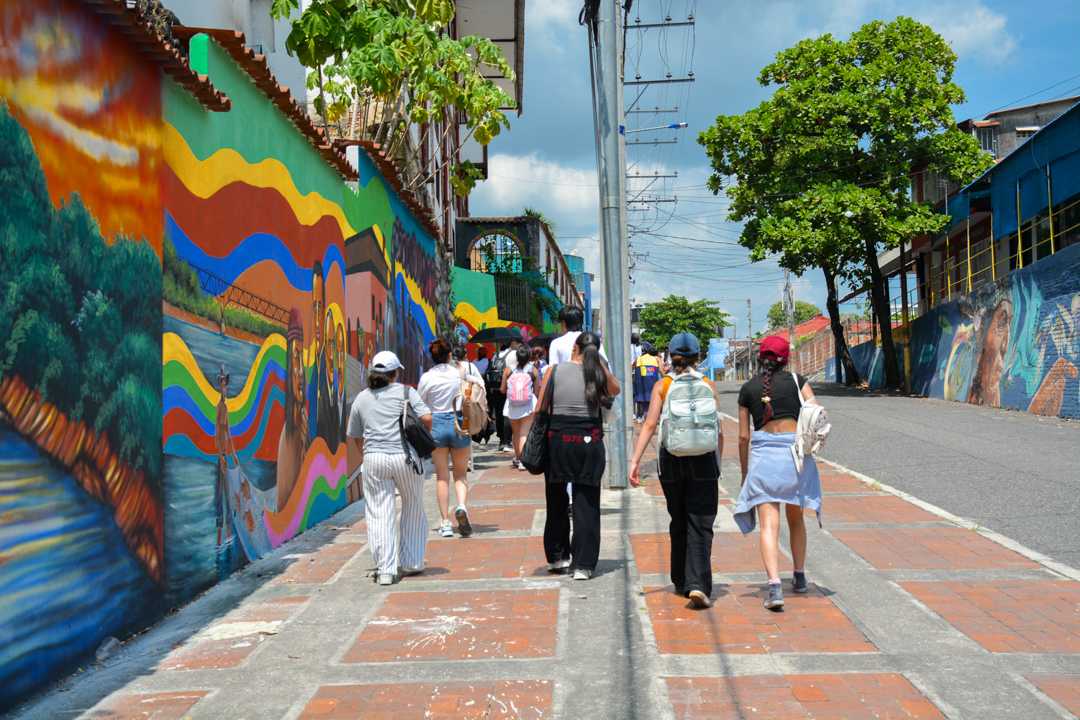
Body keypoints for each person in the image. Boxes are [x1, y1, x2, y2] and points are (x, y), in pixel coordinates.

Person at [629, 333, 722, 609]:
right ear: (697, 357)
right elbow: (716, 429)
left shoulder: (663, 385)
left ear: (670, 357)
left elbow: (649, 424)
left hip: (671, 459)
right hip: (704, 460)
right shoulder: (708, 385)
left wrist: (635, 461)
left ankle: (681, 580)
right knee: (701, 522)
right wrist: (717, 462)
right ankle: (698, 584)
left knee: (678, 518)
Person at [732, 335, 822, 611]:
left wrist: (746, 472)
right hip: (795, 459)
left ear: (760, 359)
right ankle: (799, 576)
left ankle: (774, 587)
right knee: (796, 519)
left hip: (764, 461)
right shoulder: (798, 382)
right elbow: (816, 413)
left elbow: (744, 437)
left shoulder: (748, 389)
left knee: (769, 525)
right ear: (786, 359)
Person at [537, 332, 621, 580]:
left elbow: (540, 407)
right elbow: (616, 390)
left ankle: (558, 556)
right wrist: (600, 365)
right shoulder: (598, 374)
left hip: (558, 442)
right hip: (589, 442)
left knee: (556, 500)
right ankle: (583, 565)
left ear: (574, 348)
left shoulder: (554, 371)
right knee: (587, 503)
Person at [347, 351, 433, 585]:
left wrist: (368, 455)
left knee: (379, 511)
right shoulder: (406, 392)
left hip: (374, 459)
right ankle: (412, 562)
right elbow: (427, 418)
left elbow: (355, 436)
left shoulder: (362, 398)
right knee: (413, 505)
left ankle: (386, 569)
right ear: (395, 373)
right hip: (405, 456)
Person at [418, 339, 475, 538]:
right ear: (450, 355)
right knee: (460, 474)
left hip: (436, 424)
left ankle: (445, 523)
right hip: (459, 422)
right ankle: (461, 506)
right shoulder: (458, 373)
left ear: (432, 357)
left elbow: (420, 403)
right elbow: (473, 388)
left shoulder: (427, 377)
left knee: (442, 476)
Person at [501, 346, 539, 470]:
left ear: (516, 356)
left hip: (512, 406)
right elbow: (537, 391)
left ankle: (518, 458)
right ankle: (523, 461)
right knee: (524, 433)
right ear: (528, 357)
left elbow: (502, 390)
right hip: (528, 406)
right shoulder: (533, 370)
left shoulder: (508, 370)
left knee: (516, 433)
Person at [632, 342, 662, 422]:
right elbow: (661, 371)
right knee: (652, 403)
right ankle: (653, 418)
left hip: (642, 388)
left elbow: (632, 367)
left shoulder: (638, 359)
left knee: (643, 404)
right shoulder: (656, 359)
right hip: (652, 386)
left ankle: (641, 417)